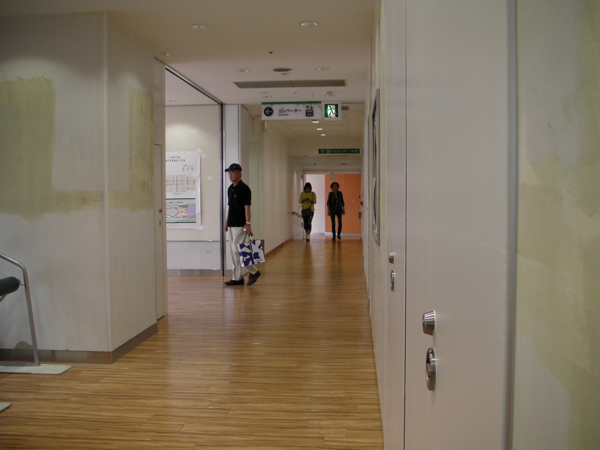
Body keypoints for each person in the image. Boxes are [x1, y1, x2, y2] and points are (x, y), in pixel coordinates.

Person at [223, 163, 261, 286]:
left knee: (237, 250)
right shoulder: (230, 189)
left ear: (240, 173)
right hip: (232, 224)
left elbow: (247, 208)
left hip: (240, 225)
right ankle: (237, 278)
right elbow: (230, 208)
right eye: (229, 173)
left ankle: (253, 272)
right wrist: (226, 222)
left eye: (232, 172)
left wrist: (248, 224)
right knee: (233, 251)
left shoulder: (244, 189)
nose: (230, 175)